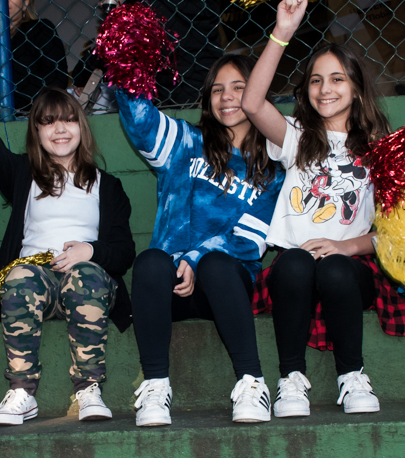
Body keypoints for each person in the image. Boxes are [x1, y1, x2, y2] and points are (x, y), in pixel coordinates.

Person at [0, 70, 136, 425]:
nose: (60, 130)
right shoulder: (23, 174)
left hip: (88, 284)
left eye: (68, 120)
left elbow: (124, 252)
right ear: (36, 132)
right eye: (48, 123)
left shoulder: (106, 186)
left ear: (82, 126)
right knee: (17, 276)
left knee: (86, 275)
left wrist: (89, 251)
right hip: (37, 284)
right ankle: (21, 392)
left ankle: (89, 390)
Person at [241, 0, 395, 418]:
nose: (325, 89)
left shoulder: (380, 148)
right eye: (315, 79)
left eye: (337, 78)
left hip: (351, 268)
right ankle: (290, 379)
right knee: (292, 262)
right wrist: (281, 32)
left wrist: (346, 246)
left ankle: (352, 375)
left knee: (335, 269)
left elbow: (394, 231)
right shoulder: (297, 137)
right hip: (295, 268)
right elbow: (252, 103)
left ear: (358, 88)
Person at [117, 54, 285, 425]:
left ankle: (252, 383)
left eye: (239, 88)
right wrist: (125, 57)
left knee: (216, 265)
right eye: (218, 89)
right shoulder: (184, 142)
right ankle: (156, 387)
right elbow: (140, 119)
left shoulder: (273, 170)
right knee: (150, 262)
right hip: (169, 289)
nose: (226, 97)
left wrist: (194, 258)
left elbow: (251, 240)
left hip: (225, 289)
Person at [97, 0, 224, 106]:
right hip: (207, 94)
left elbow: (111, 53)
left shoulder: (147, 11)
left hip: (172, 105)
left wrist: (116, 16)